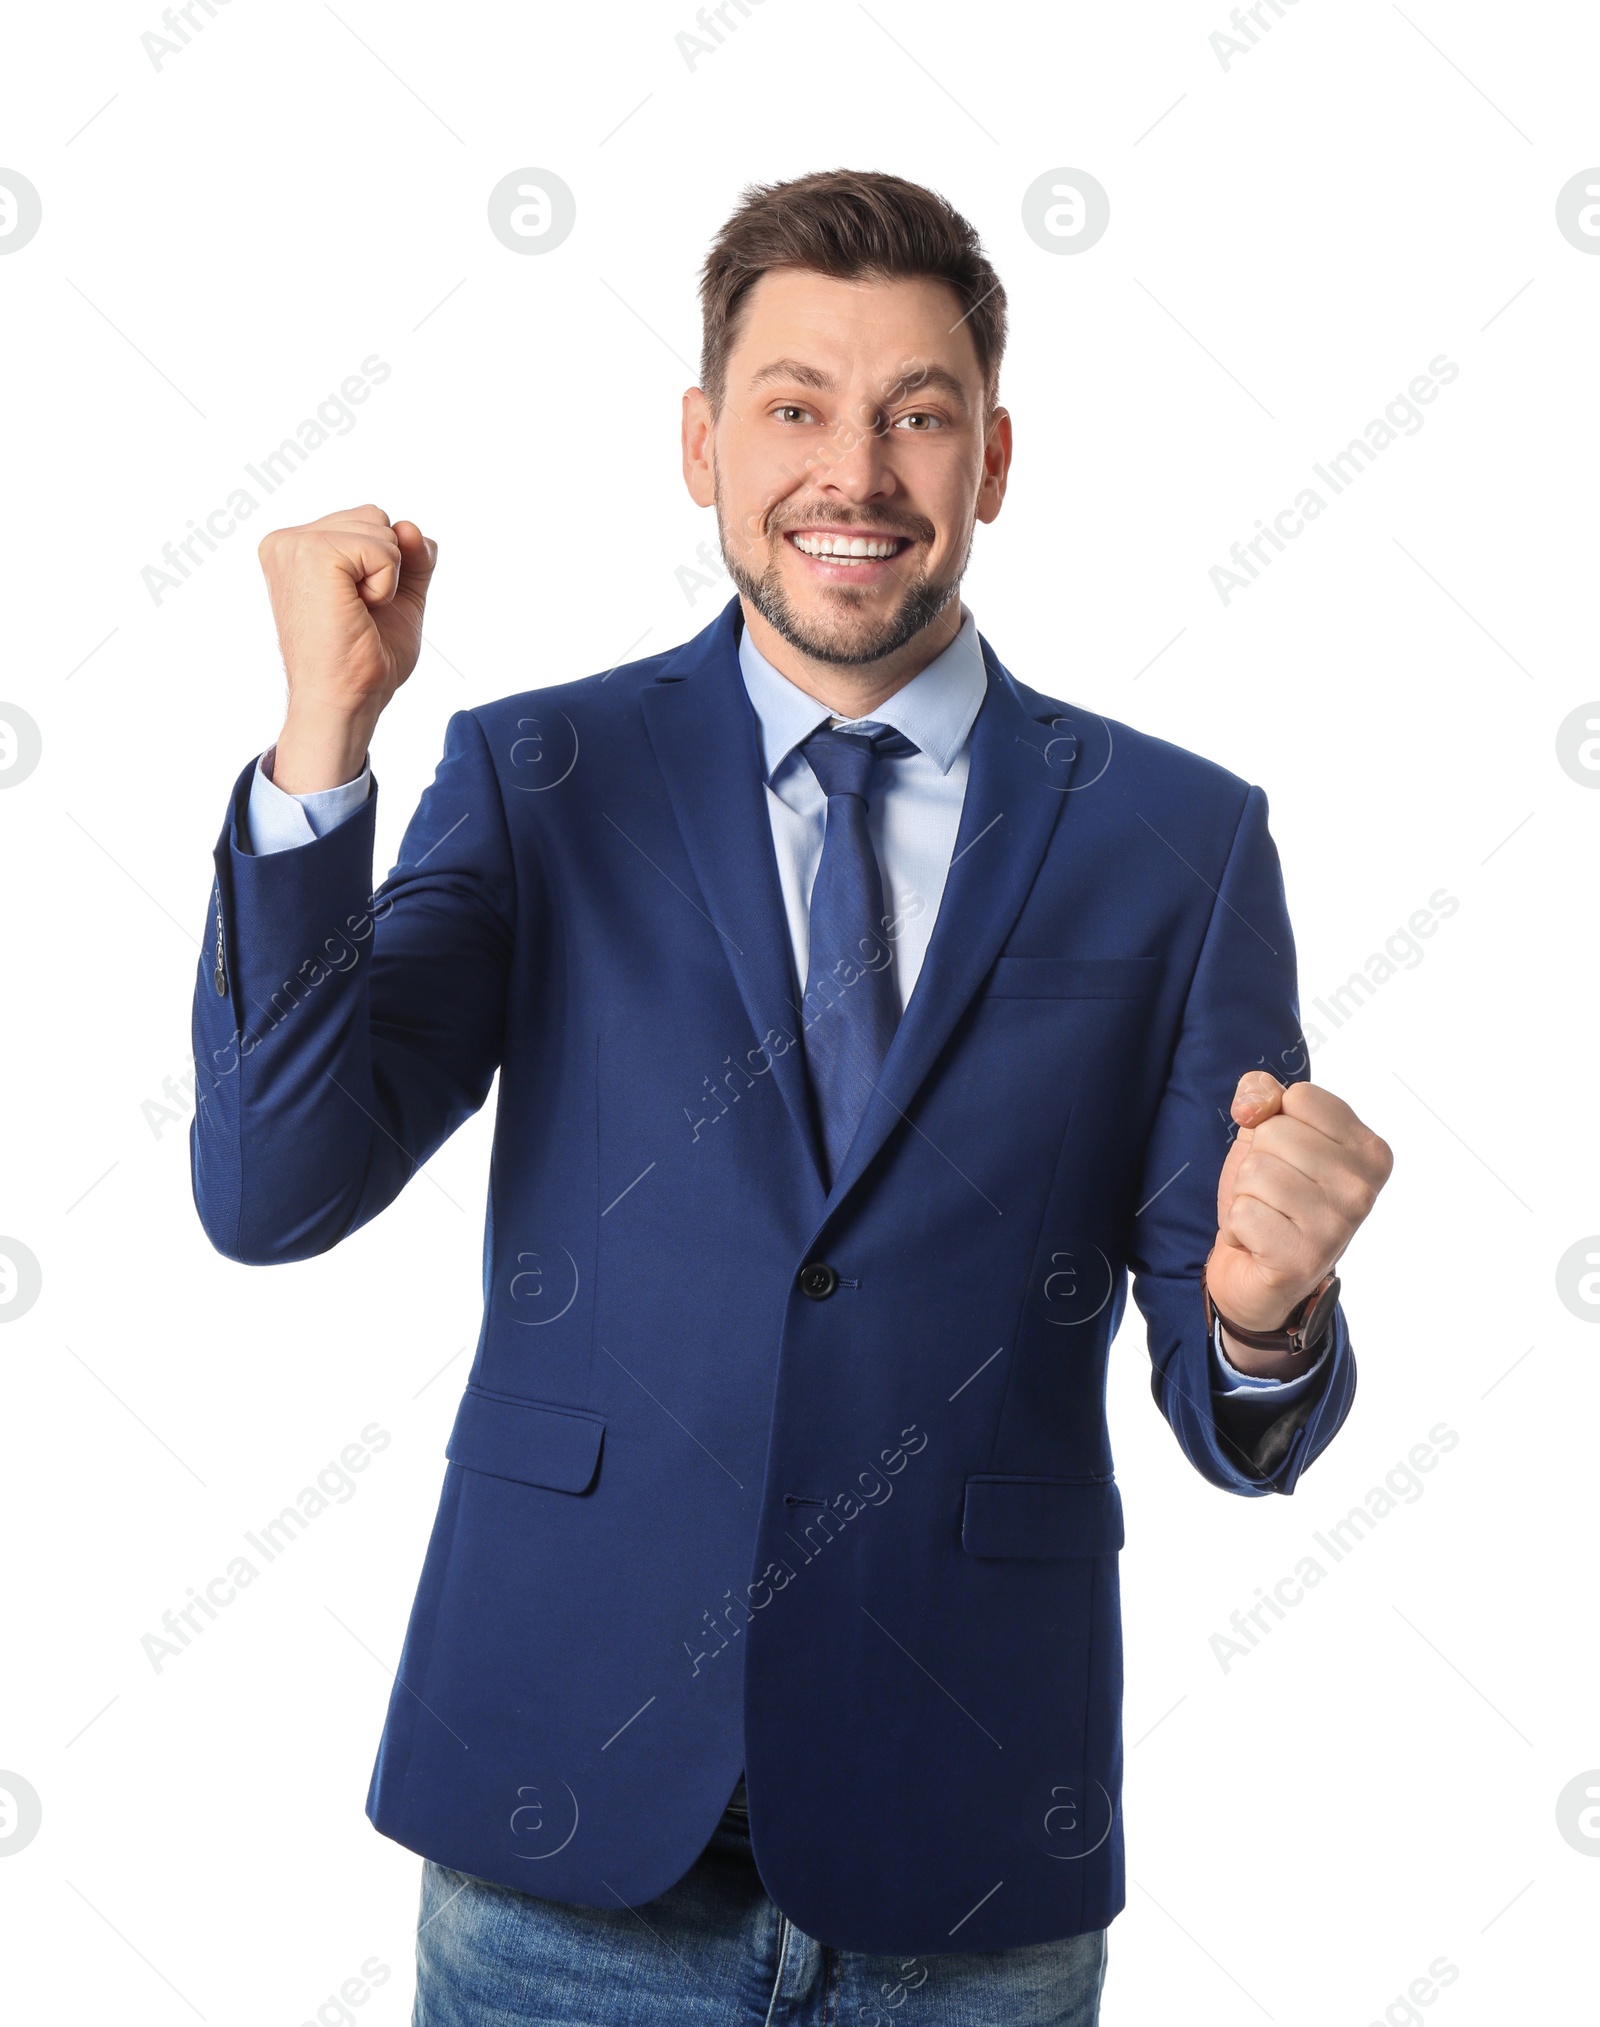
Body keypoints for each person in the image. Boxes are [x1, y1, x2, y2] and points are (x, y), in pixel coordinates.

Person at [190, 168, 1393, 2026]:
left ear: (993, 460)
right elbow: (274, 1190)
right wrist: (322, 742)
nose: (860, 469)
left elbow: (1244, 1416)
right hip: (559, 1840)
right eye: (796, 408)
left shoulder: (1179, 839)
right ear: (701, 446)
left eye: (921, 412)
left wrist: (1261, 1314)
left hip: (968, 1850)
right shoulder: (541, 774)